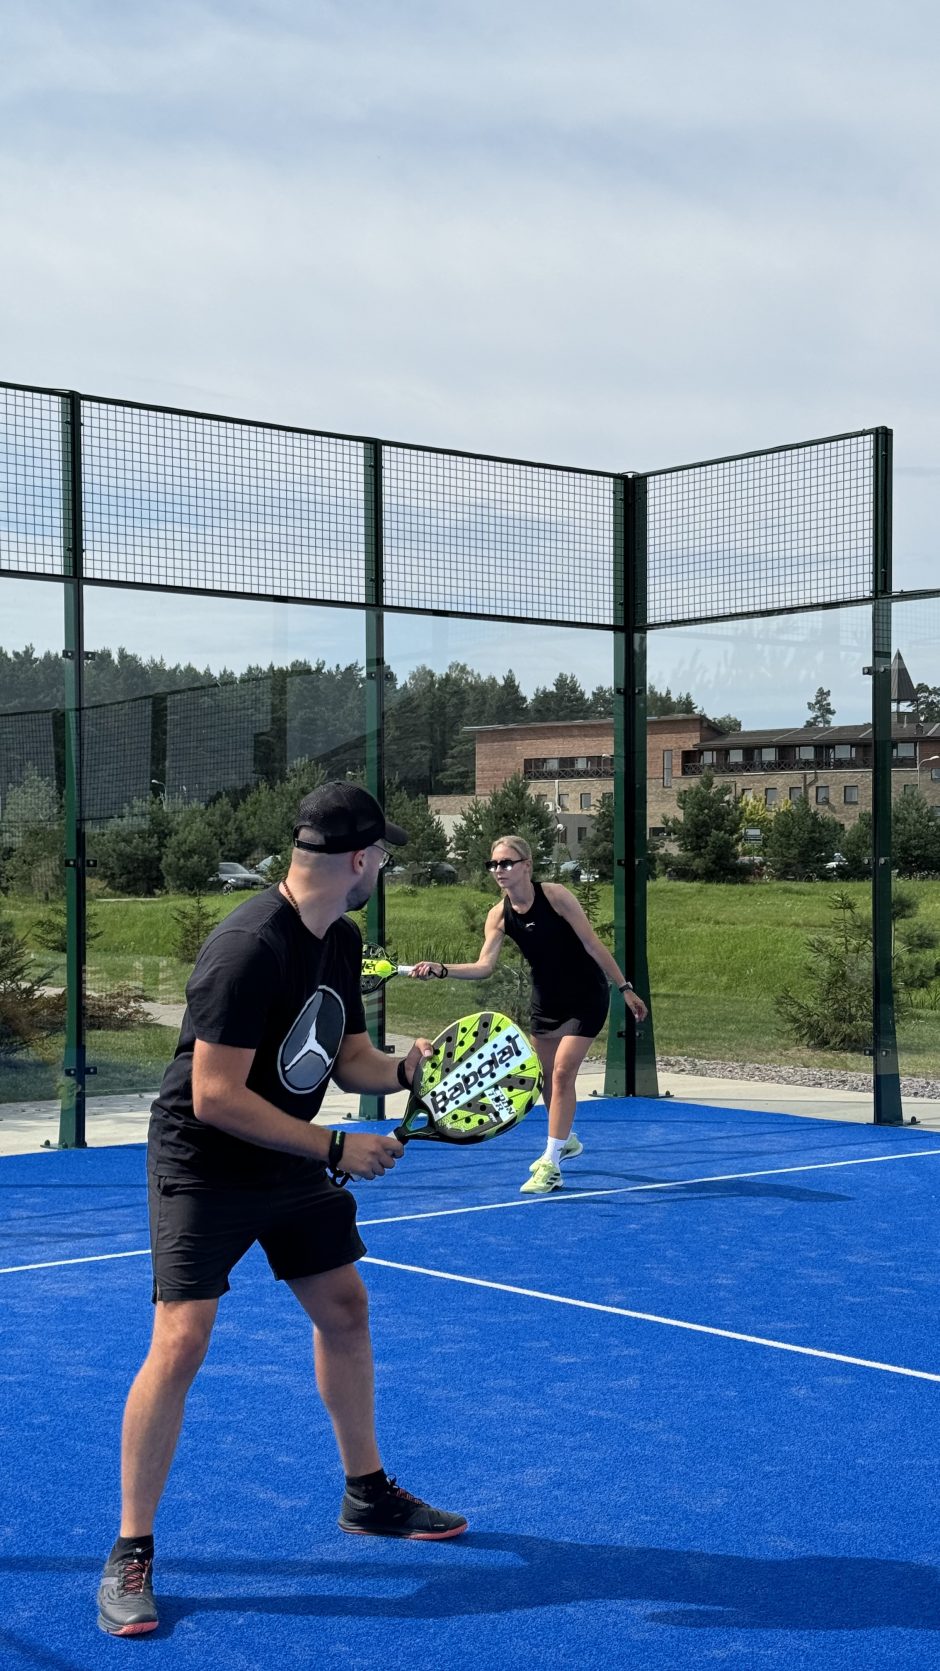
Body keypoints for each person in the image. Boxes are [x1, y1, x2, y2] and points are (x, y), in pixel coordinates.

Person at [96, 781, 467, 1639]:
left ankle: (366, 1493)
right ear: (361, 859)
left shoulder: (341, 937)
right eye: (386, 855)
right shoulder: (245, 947)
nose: (387, 867)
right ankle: (130, 1548)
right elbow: (216, 1095)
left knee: (344, 1306)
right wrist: (337, 1148)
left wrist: (407, 1071)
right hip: (206, 1159)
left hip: (287, 1151)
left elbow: (350, 1059)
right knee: (181, 1337)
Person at [412, 835, 648, 1196]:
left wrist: (624, 988)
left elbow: (592, 943)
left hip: (586, 996)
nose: (499, 871)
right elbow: (483, 967)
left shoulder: (555, 896)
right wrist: (442, 968)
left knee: (564, 1072)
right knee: (545, 1080)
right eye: (493, 865)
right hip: (546, 1003)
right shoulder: (498, 915)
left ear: (527, 865)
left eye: (506, 863)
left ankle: (551, 1163)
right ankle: (565, 1140)